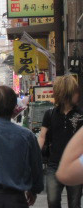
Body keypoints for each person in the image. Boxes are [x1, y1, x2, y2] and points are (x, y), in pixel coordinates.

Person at [38, 75, 83, 208]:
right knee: (52, 201)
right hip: (53, 164)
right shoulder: (50, 113)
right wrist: (35, 152)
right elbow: (42, 136)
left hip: (74, 165)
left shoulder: (80, 114)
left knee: (74, 203)